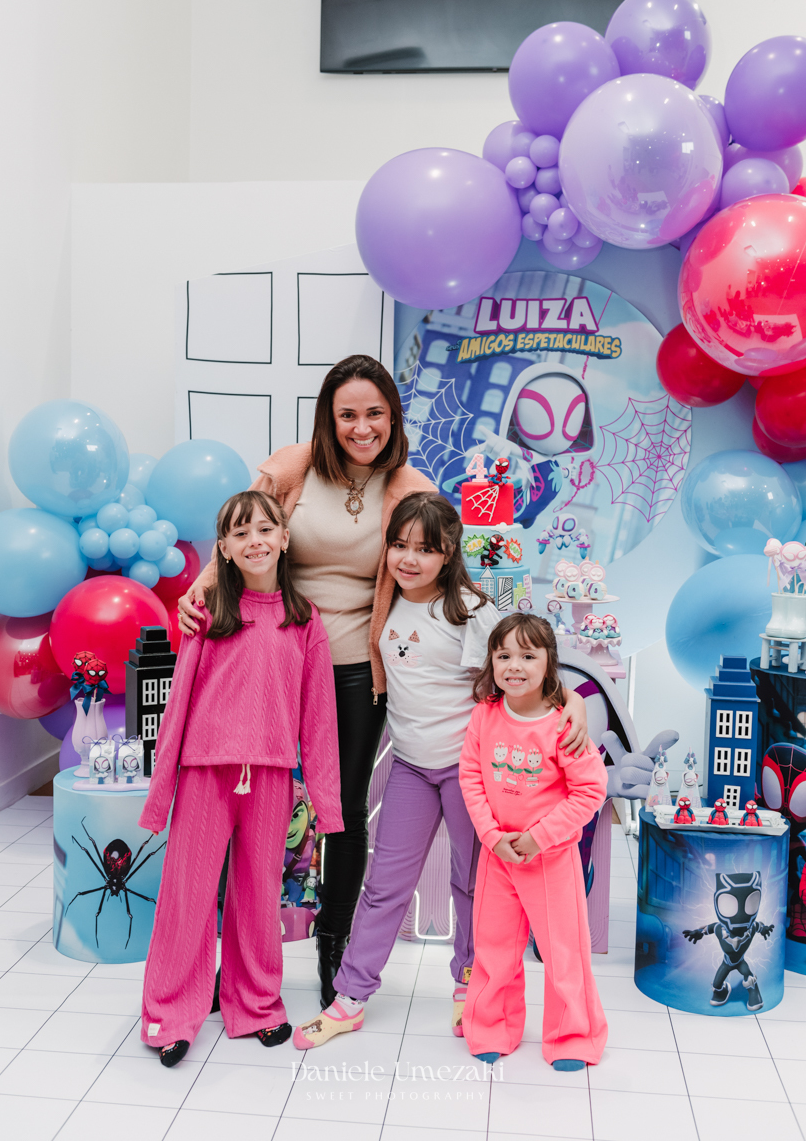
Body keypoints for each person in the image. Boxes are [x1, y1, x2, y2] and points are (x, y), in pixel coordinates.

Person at [178, 354, 590, 1005]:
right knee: (246, 803)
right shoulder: (292, 469)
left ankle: (334, 948)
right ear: (329, 416)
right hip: (270, 659)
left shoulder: (409, 486)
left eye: (375, 413)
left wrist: (565, 697)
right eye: (348, 414)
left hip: (353, 670)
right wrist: (202, 588)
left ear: (393, 418)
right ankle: (221, 957)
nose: (362, 427)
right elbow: (239, 535)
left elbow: (466, 594)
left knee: (341, 810)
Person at [291, 493, 595, 1050]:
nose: (409, 559)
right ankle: (350, 998)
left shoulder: (470, 610)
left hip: (467, 771)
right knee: (384, 886)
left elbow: (523, 667)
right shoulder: (384, 599)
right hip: (410, 766)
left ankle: (468, 984)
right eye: (399, 545)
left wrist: (571, 699)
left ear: (448, 552)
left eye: (425, 549)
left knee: (472, 884)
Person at [139, 490, 342, 1066]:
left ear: (284, 538)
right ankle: (169, 1013)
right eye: (240, 532)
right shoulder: (207, 613)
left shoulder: (304, 620)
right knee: (187, 897)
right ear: (224, 549)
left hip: (271, 776)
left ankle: (256, 1004)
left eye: (265, 529)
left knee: (257, 897)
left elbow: (319, 719)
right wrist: (160, 793)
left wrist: (327, 805)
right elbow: (177, 704)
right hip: (206, 771)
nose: (255, 540)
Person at [459, 612, 608, 1069]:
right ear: (491, 661)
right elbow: (471, 778)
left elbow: (591, 790)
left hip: (551, 859)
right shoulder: (485, 715)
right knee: (494, 948)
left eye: (527, 656)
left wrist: (539, 838)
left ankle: (573, 1037)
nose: (514, 666)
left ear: (548, 663)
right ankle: (491, 1027)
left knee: (564, 954)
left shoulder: (564, 724)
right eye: (504, 656)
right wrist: (492, 836)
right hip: (498, 856)